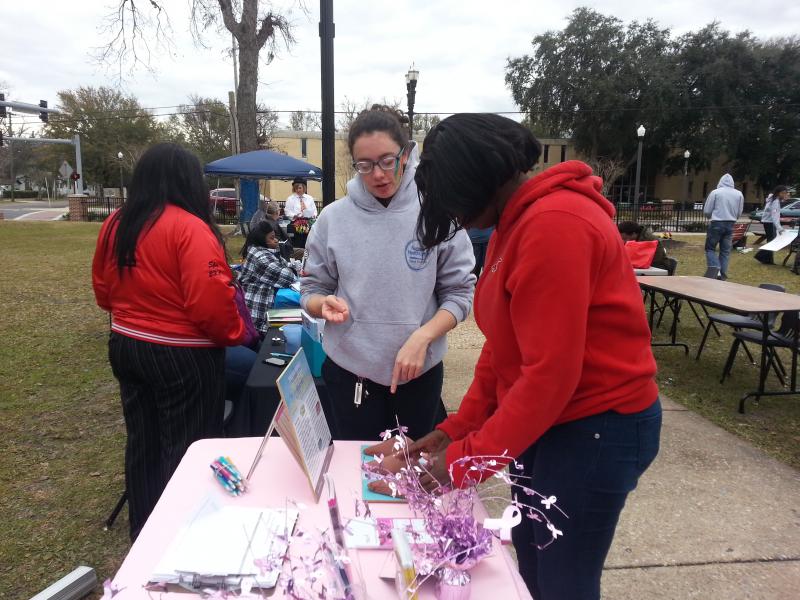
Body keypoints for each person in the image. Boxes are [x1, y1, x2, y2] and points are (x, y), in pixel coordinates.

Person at [407, 114, 661, 600]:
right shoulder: (514, 222)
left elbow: (549, 376)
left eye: (453, 198)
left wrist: (463, 462)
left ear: (478, 179)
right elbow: (506, 350)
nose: (454, 214)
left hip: (599, 426)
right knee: (529, 553)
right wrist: (454, 429)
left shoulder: (554, 225)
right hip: (560, 421)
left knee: (564, 578)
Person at [91, 143, 249, 541]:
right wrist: (234, 335)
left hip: (127, 343)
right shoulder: (189, 228)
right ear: (189, 182)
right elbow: (211, 303)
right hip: (183, 355)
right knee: (189, 447)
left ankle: (145, 534)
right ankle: (187, 537)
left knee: (142, 441)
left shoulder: (117, 224)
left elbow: (104, 292)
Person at [300, 105, 475, 441]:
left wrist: (423, 337)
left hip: (419, 374)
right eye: (364, 165)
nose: (378, 174)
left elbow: (459, 293)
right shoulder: (332, 220)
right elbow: (310, 289)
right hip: (351, 373)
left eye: (386, 160)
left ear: (406, 154)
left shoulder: (437, 214)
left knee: (414, 476)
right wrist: (322, 305)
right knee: (356, 470)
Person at [238, 220, 300, 333]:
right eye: (272, 238)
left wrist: (292, 268)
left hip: (260, 309)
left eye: (275, 236)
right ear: (262, 240)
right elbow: (288, 277)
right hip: (257, 318)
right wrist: (293, 270)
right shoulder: (261, 258)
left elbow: (286, 265)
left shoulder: (262, 251)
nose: (276, 240)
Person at [703, 173, 744, 280]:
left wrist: (710, 217)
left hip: (716, 222)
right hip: (730, 224)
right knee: (725, 252)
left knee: (710, 249)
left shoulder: (716, 193)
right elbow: (739, 211)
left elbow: (707, 210)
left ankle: (716, 270)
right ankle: (723, 275)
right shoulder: (739, 194)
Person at [754, 185, 789, 265]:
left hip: (768, 222)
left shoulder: (773, 199)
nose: (784, 195)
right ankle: (760, 255)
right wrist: (779, 228)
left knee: (771, 241)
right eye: (783, 193)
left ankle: (768, 260)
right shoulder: (775, 201)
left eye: (785, 193)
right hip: (769, 222)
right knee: (772, 241)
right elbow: (774, 216)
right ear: (778, 193)